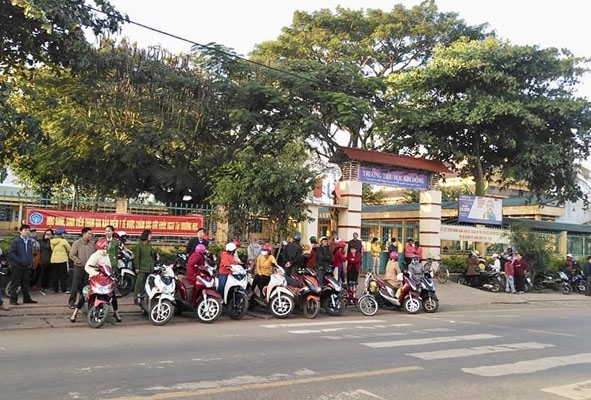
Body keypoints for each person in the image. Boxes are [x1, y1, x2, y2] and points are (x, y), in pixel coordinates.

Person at [70, 237, 122, 323]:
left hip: (105, 280)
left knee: (112, 294)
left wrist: (111, 275)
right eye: (106, 246)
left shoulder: (106, 255)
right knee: (85, 293)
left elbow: (108, 268)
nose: (108, 247)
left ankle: (116, 312)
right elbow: (88, 267)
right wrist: (96, 274)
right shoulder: (95, 255)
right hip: (95, 279)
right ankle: (75, 313)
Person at [7, 224, 38, 305]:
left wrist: (30, 260)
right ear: (20, 231)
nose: (27, 232)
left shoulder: (29, 241)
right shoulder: (16, 241)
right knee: (15, 284)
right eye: (25, 230)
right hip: (17, 266)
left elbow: (30, 252)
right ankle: (13, 300)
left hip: (26, 266)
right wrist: (19, 261)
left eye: (28, 230)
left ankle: (27, 298)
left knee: (26, 283)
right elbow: (11, 253)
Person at [68, 227, 94, 309]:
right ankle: (72, 302)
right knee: (75, 285)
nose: (90, 235)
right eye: (89, 234)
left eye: (91, 234)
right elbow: (72, 254)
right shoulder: (77, 243)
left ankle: (82, 302)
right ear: (83, 234)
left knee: (86, 286)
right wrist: (78, 261)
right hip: (78, 267)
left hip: (88, 268)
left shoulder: (92, 244)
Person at [133, 229, 154, 302]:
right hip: (141, 267)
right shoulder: (139, 245)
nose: (150, 236)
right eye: (149, 235)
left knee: (147, 283)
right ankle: (135, 297)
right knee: (138, 283)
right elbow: (137, 257)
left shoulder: (150, 245)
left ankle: (144, 296)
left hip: (149, 267)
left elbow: (151, 256)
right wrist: (137, 267)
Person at [50, 227, 71, 294]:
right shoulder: (63, 241)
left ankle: (55, 289)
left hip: (53, 259)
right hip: (62, 259)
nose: (64, 235)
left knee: (54, 275)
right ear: (61, 234)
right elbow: (69, 249)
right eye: (64, 233)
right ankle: (63, 289)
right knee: (63, 276)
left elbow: (52, 249)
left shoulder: (51, 241)